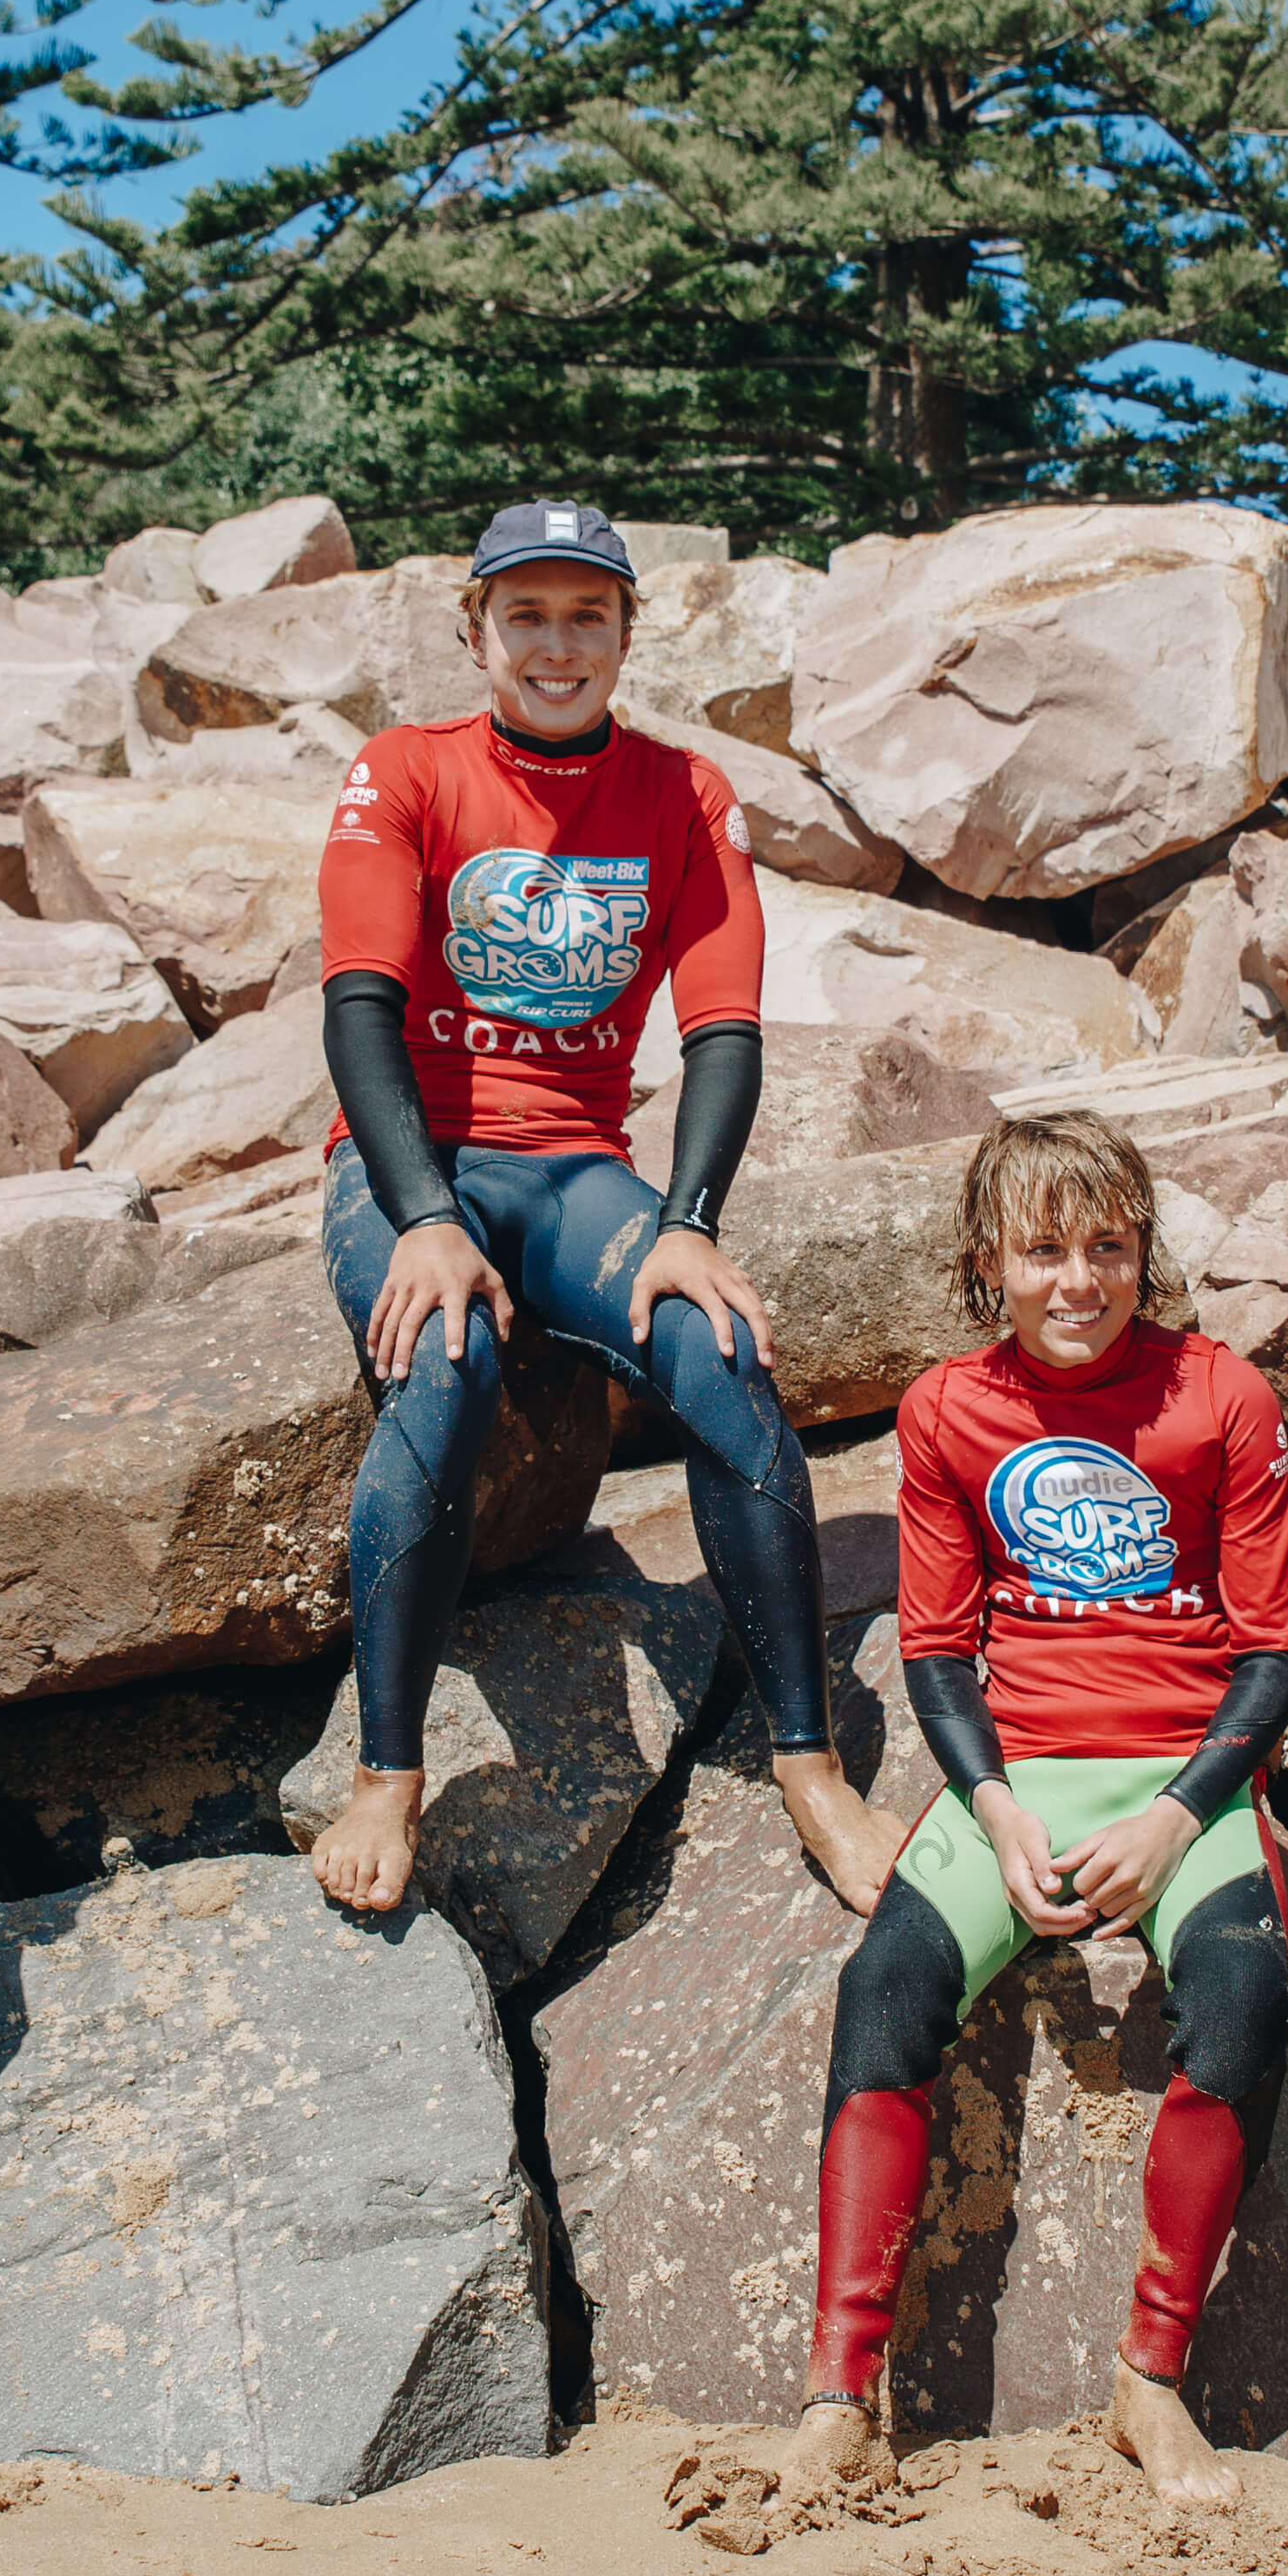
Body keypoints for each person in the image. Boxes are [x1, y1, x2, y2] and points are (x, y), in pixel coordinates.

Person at [311, 498, 904, 1919]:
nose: (558, 643)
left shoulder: (686, 795)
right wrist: (422, 1219)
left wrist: (689, 1217)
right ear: (474, 630)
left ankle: (809, 1766)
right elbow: (360, 1007)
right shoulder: (404, 770)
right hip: (419, 1160)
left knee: (723, 1356)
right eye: (527, 613)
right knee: (444, 1360)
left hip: (581, 1170)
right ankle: (387, 1770)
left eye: (589, 614)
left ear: (631, 631)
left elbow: (723, 1028)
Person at [772, 1110, 1288, 2518]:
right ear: (987, 1265)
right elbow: (938, 1649)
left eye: (1108, 1247)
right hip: (1021, 1772)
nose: (1079, 1278)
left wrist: (1177, 1816)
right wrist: (996, 1814)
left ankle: (1149, 2377)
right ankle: (841, 2394)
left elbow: (1273, 1654)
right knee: (883, 1990)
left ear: (1143, 1255)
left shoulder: (1219, 1396)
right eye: (1043, 1250)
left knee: (1245, 1999)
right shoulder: (949, 1409)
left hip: (1182, 1777)